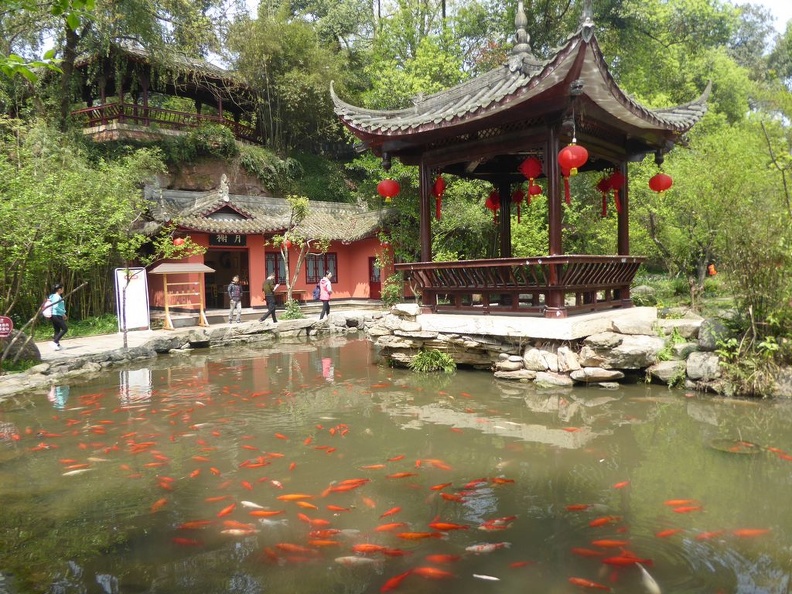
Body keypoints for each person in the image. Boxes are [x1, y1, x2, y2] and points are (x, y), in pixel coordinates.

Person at [49, 283, 68, 351]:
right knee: (65, 329)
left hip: (53, 315)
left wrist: (63, 314)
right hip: (57, 315)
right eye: (62, 288)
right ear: (59, 289)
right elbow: (56, 307)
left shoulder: (52, 296)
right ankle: (54, 342)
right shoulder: (57, 296)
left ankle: (57, 345)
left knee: (57, 330)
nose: (63, 290)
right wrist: (63, 313)